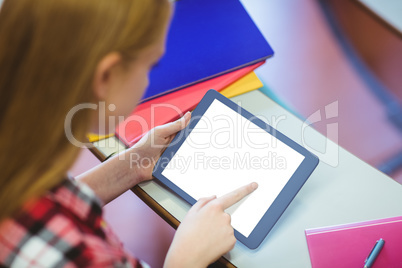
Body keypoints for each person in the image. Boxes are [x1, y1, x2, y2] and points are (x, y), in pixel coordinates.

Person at [0, 0, 258, 267]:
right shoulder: (76, 257)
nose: (147, 80)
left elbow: (43, 200)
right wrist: (185, 259)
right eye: (151, 65)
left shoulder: (20, 164)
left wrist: (132, 165)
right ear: (105, 77)